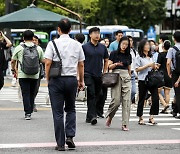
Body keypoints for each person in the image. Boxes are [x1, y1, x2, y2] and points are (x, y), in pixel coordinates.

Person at [45, 19, 85, 151]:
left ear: (58, 29)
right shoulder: (77, 44)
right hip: (71, 79)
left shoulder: (52, 44)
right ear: (70, 30)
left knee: (57, 113)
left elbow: (48, 63)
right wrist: (81, 80)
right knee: (71, 108)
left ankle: (60, 143)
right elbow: (81, 64)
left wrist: (47, 78)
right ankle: (70, 136)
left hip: (56, 80)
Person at [11, 30, 44, 120]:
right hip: (35, 74)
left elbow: (13, 60)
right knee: (32, 93)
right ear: (33, 38)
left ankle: (27, 113)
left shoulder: (19, 48)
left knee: (25, 93)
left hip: (23, 75)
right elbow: (43, 60)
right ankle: (31, 108)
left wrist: (13, 69)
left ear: (23, 38)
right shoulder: (38, 48)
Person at [82, 27, 109, 125]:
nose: (97, 35)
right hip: (88, 74)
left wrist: (104, 71)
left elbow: (106, 59)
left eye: (98, 33)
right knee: (91, 94)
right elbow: (80, 62)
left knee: (99, 94)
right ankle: (93, 116)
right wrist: (80, 76)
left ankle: (89, 116)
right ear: (90, 35)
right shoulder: (85, 47)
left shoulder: (102, 47)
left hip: (99, 74)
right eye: (95, 33)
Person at [106, 36, 132, 131]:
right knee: (116, 101)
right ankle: (110, 116)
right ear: (119, 43)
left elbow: (129, 69)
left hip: (126, 77)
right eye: (123, 44)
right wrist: (116, 64)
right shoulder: (113, 53)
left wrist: (130, 77)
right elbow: (109, 66)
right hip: (116, 77)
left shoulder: (128, 55)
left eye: (126, 44)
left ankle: (125, 124)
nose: (124, 46)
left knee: (126, 101)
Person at [135, 39, 159, 125]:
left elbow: (152, 66)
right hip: (143, 79)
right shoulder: (139, 57)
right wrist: (147, 65)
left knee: (155, 98)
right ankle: (140, 117)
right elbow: (137, 69)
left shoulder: (151, 56)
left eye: (148, 45)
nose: (148, 47)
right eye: (146, 45)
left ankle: (151, 116)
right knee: (142, 99)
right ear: (142, 47)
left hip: (152, 79)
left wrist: (155, 66)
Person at [166, 31, 180, 119]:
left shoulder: (172, 49)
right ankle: (175, 110)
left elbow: (168, 62)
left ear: (174, 38)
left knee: (177, 93)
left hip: (176, 72)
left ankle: (177, 111)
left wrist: (169, 73)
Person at [157, 40, 172, 114]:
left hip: (161, 75)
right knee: (167, 93)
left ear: (163, 46)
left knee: (157, 91)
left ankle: (164, 104)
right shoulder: (171, 54)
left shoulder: (161, 54)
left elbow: (158, 65)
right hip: (169, 75)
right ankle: (166, 108)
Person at [33, 35, 45, 112]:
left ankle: (32, 101)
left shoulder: (39, 49)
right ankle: (31, 104)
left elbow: (43, 60)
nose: (34, 42)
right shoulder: (22, 48)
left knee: (36, 89)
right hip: (26, 72)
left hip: (38, 72)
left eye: (36, 40)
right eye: (32, 40)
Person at [128, 36, 138, 110]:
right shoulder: (122, 51)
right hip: (124, 73)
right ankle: (128, 102)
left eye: (131, 41)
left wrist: (136, 73)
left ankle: (129, 101)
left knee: (134, 91)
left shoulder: (134, 51)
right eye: (129, 41)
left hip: (132, 73)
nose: (130, 42)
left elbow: (135, 63)